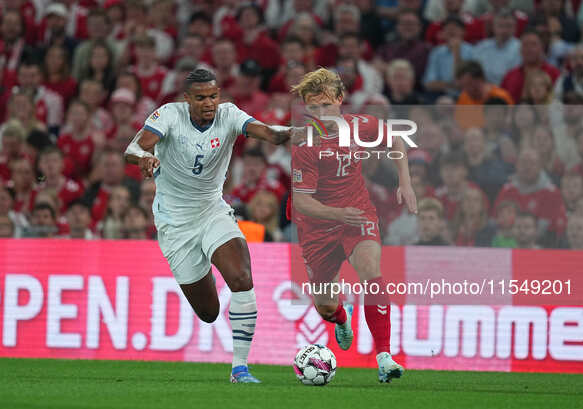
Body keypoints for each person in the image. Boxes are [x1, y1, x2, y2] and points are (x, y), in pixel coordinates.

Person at [125, 68, 296, 383]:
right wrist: (144, 158)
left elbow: (270, 133)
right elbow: (134, 148)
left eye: (213, 96)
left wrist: (301, 131)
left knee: (241, 276)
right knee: (208, 312)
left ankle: (239, 368)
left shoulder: (229, 115)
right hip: (175, 223)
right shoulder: (168, 115)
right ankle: (203, 271)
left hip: (212, 210)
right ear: (187, 99)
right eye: (201, 97)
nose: (209, 103)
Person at [290, 68, 417, 383]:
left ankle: (385, 357)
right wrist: (337, 214)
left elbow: (396, 140)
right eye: (313, 107)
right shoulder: (306, 144)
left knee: (371, 272)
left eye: (326, 105)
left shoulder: (362, 125)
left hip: (357, 213)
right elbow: (303, 202)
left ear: (340, 100)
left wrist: (406, 181)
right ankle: (341, 317)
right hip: (318, 224)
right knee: (325, 303)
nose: (321, 113)